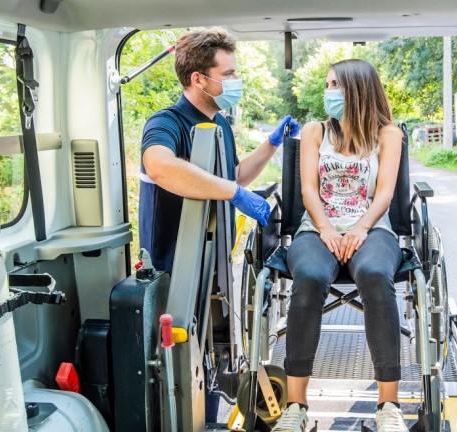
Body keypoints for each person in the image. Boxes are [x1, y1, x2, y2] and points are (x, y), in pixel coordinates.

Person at [138, 27, 300, 422]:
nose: (234, 81)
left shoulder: (220, 124)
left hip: (213, 264)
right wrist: (232, 193)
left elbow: (235, 177)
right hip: (173, 266)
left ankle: (208, 420)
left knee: (211, 355)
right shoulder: (168, 122)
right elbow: (158, 165)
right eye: (227, 74)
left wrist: (272, 144)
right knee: (177, 361)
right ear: (198, 79)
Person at [273, 59, 407, 432]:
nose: (328, 92)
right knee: (311, 276)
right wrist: (327, 228)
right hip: (316, 230)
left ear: (357, 89)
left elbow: (385, 193)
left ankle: (388, 408)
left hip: (372, 229)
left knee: (375, 274)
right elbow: (308, 190)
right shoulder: (315, 131)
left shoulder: (388, 134)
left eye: (335, 85)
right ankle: (296, 407)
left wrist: (361, 228)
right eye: (328, 84)